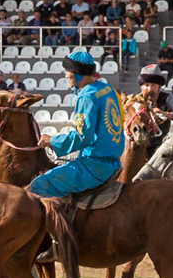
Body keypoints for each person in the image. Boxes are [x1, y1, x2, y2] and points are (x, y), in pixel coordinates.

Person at [31, 49, 126, 200]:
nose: (65, 75)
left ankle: (60, 224)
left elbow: (83, 137)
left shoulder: (86, 97)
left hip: (93, 166)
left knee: (37, 186)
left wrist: (51, 141)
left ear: (77, 73)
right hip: (113, 162)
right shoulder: (109, 89)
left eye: (67, 71)